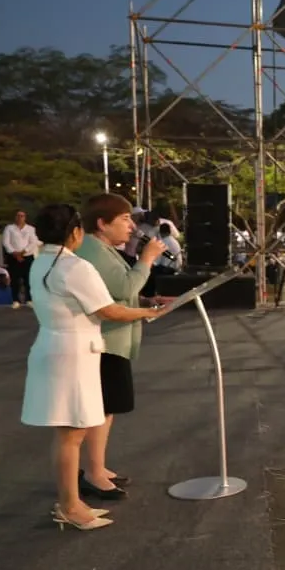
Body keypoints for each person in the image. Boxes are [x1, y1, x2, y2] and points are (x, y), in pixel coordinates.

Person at [19, 204, 156, 531]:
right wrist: (148, 314)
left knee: (67, 433)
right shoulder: (73, 266)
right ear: (75, 231)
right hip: (73, 353)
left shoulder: (41, 262)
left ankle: (71, 501)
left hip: (54, 347)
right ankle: (70, 506)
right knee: (72, 434)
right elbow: (110, 309)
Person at [75, 193, 169, 500]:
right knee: (102, 410)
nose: (131, 226)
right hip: (104, 343)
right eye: (124, 219)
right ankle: (92, 473)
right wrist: (147, 259)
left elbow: (118, 293)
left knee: (107, 409)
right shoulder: (95, 252)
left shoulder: (101, 249)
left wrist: (144, 301)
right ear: (102, 224)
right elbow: (125, 286)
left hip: (109, 341)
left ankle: (97, 468)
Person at [1, 209, 40, 307]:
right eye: (18, 216)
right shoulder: (9, 228)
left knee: (28, 279)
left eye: (22, 216)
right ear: (15, 217)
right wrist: (15, 253)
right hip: (13, 257)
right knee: (14, 279)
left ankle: (29, 299)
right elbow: (6, 242)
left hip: (27, 256)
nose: (20, 218)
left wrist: (23, 252)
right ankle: (15, 300)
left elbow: (33, 242)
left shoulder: (30, 229)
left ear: (25, 218)